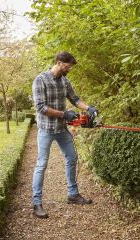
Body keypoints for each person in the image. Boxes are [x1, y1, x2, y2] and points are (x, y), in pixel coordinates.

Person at [32, 51, 98, 219]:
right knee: (41, 165)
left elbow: (75, 99)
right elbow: (41, 108)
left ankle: (73, 194)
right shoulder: (40, 80)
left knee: (72, 157)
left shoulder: (65, 81)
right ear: (59, 62)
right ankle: (37, 203)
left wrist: (88, 108)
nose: (69, 69)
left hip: (62, 130)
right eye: (68, 66)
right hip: (46, 130)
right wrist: (64, 114)